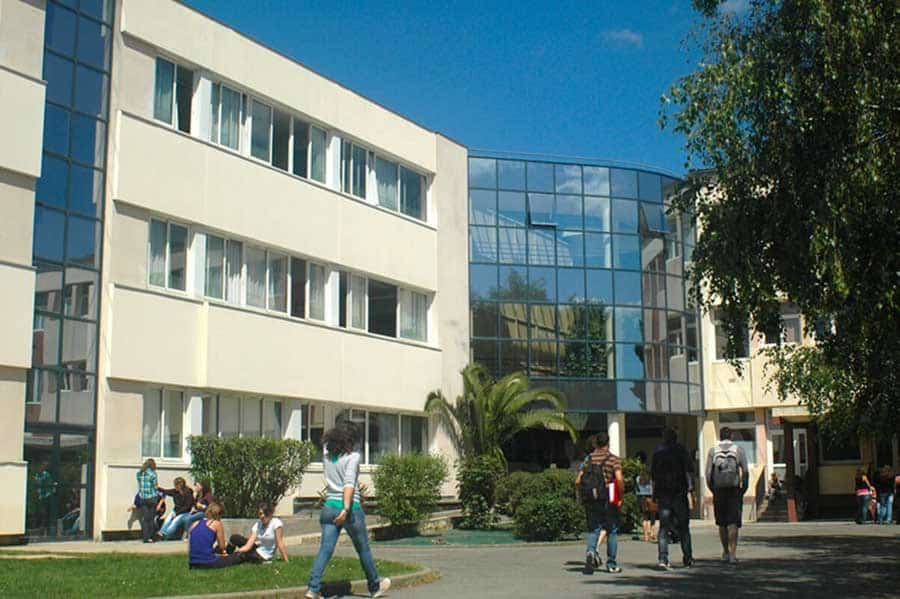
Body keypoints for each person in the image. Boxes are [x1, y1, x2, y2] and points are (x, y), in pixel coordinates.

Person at [305, 422, 391, 599]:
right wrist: (345, 509)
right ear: (350, 440)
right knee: (363, 549)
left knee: (325, 550)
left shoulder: (327, 456)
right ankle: (375, 586)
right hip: (350, 509)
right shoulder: (353, 457)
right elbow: (349, 483)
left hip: (329, 506)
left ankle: (313, 588)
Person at [575, 432, 624, 575]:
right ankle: (611, 564)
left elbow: (578, 481)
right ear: (608, 443)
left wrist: (579, 497)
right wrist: (620, 497)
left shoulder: (588, 459)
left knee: (593, 529)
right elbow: (619, 479)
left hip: (591, 498)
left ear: (596, 443)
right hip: (608, 497)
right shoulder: (613, 459)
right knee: (612, 530)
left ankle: (591, 551)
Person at [652, 427, 695, 570]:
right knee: (684, 527)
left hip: (663, 494)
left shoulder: (658, 452)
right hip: (679, 493)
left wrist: (654, 494)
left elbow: (653, 474)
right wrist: (691, 490)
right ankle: (688, 558)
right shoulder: (681, 450)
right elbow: (689, 470)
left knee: (663, 528)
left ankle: (662, 558)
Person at [705, 427, 749, 564]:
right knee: (733, 522)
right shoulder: (738, 450)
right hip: (734, 490)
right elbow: (745, 471)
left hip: (719, 490)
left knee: (722, 523)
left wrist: (712, 489)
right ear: (732, 436)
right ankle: (733, 554)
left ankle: (725, 551)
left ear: (720, 436)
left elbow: (708, 473)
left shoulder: (713, 451)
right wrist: (744, 488)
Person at [188, 502, 245, 569]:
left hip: (193, 562)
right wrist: (224, 552)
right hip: (208, 562)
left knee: (216, 549)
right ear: (218, 514)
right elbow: (222, 546)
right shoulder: (217, 524)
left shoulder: (195, 523)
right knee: (239, 556)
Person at [136, 459, 159, 543]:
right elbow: (155, 486)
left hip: (143, 498)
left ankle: (145, 537)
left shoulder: (139, 473)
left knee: (145, 519)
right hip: (152, 497)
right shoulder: (153, 474)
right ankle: (151, 537)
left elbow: (139, 484)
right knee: (151, 518)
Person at [635, 467, 657, 543]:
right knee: (652, 517)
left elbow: (637, 489)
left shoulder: (638, 478)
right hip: (651, 498)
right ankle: (652, 533)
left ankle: (646, 536)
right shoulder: (651, 479)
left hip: (641, 498)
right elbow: (654, 488)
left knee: (645, 517)